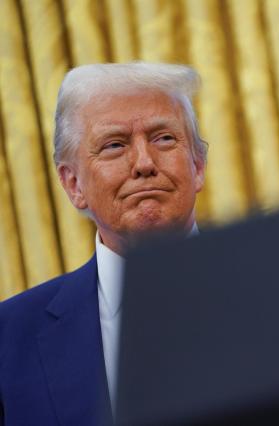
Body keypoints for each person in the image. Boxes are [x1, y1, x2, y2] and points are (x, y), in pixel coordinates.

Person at [0, 63, 207, 425]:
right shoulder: (8, 339)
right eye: (114, 145)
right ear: (73, 185)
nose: (144, 163)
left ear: (199, 164)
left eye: (164, 138)